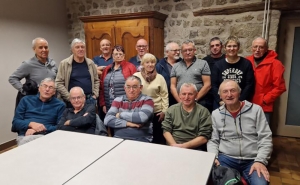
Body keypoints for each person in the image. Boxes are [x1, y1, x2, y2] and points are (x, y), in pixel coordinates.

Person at [207, 79, 272, 185]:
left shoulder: (256, 110)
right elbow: (213, 140)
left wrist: (260, 161)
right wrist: (214, 157)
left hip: (252, 160)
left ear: (239, 93)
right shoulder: (216, 114)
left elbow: (265, 138)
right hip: (226, 158)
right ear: (220, 96)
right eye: (225, 92)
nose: (229, 95)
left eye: (233, 90)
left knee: (261, 184)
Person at [12, 78, 65, 146]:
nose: (47, 89)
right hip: (25, 135)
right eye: (45, 86)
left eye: (51, 87)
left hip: (46, 136)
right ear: (39, 88)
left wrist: (39, 129)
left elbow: (59, 127)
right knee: (26, 143)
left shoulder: (60, 105)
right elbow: (15, 123)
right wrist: (31, 124)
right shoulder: (25, 100)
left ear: (54, 92)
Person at [246, 37, 286, 123]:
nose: (257, 50)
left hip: (263, 106)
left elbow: (280, 87)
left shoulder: (275, 64)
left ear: (266, 49)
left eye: (261, 47)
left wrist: (265, 99)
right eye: (255, 47)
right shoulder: (246, 61)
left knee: (263, 134)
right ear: (251, 48)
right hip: (246, 103)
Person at [8, 37, 57, 107]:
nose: (44, 50)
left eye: (46, 47)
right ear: (34, 49)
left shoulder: (53, 63)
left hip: (50, 102)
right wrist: (24, 91)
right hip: (34, 103)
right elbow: (12, 78)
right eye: (40, 47)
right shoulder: (28, 64)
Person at [162, 83, 212, 150]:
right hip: (173, 146)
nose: (186, 97)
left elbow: (204, 137)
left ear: (196, 95)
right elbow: (166, 131)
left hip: (194, 148)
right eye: (184, 94)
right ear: (179, 95)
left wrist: (183, 146)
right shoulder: (171, 109)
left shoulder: (203, 112)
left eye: (190, 94)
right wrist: (175, 146)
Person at [104, 76, 154, 142]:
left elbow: (142, 117)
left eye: (134, 87)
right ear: (124, 88)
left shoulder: (147, 100)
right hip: (118, 138)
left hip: (142, 139)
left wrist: (120, 115)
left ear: (141, 88)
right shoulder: (117, 100)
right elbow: (107, 120)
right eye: (128, 87)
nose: (131, 90)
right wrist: (128, 123)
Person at [211, 36, 254, 109]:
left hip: (241, 102)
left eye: (234, 46)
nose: (232, 49)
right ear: (225, 48)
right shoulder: (218, 65)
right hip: (221, 102)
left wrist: (239, 101)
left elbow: (249, 85)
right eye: (229, 46)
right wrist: (220, 100)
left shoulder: (246, 64)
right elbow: (214, 85)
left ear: (238, 47)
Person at [134, 53, 168, 144]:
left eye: (152, 62)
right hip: (140, 111)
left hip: (157, 113)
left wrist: (164, 111)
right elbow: (132, 93)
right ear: (143, 64)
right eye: (147, 62)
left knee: (157, 138)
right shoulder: (136, 76)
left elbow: (164, 95)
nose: (150, 65)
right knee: (142, 137)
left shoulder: (160, 78)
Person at [55, 38, 99, 107]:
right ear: (72, 50)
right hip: (73, 101)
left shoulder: (90, 63)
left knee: (90, 117)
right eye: (77, 47)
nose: (80, 49)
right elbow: (58, 83)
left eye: (82, 47)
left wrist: (95, 95)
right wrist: (69, 97)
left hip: (89, 100)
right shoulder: (64, 64)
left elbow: (96, 80)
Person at [170, 40, 211, 109]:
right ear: (181, 52)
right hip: (181, 103)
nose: (188, 52)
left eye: (190, 50)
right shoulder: (175, 66)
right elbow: (172, 86)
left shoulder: (203, 63)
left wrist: (195, 99)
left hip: (199, 102)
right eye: (185, 51)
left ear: (194, 50)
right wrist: (180, 102)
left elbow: (207, 85)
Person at [100, 45, 136, 115]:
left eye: (120, 54)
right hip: (109, 105)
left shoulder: (130, 67)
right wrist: (103, 104)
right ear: (112, 55)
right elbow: (101, 88)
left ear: (124, 55)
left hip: (125, 105)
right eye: (116, 54)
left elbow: (136, 87)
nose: (118, 56)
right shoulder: (107, 69)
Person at [203, 37, 225, 112]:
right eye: (212, 46)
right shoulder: (205, 61)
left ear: (221, 46)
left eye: (217, 45)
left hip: (222, 94)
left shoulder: (226, 59)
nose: (215, 48)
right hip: (207, 95)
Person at [156, 42, 182, 107]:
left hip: (181, 97)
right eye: (175, 50)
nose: (178, 52)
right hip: (166, 99)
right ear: (167, 52)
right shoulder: (159, 65)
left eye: (179, 50)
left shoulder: (183, 63)